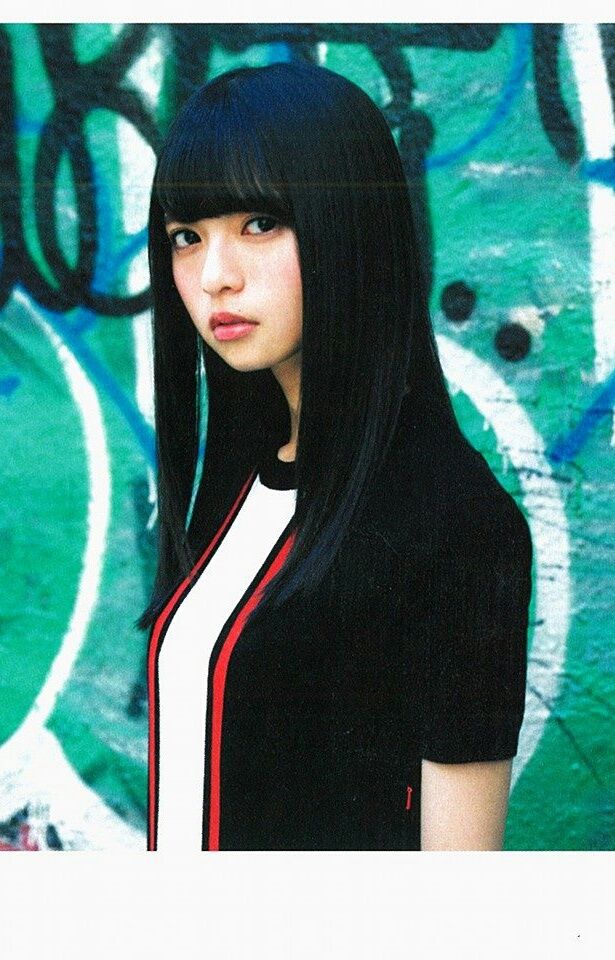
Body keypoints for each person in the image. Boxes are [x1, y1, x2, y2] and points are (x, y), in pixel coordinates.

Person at [137, 61, 533, 851]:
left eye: (259, 224)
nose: (213, 277)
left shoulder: (453, 523)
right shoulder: (238, 483)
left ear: (349, 227)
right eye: (187, 237)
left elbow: (461, 890)